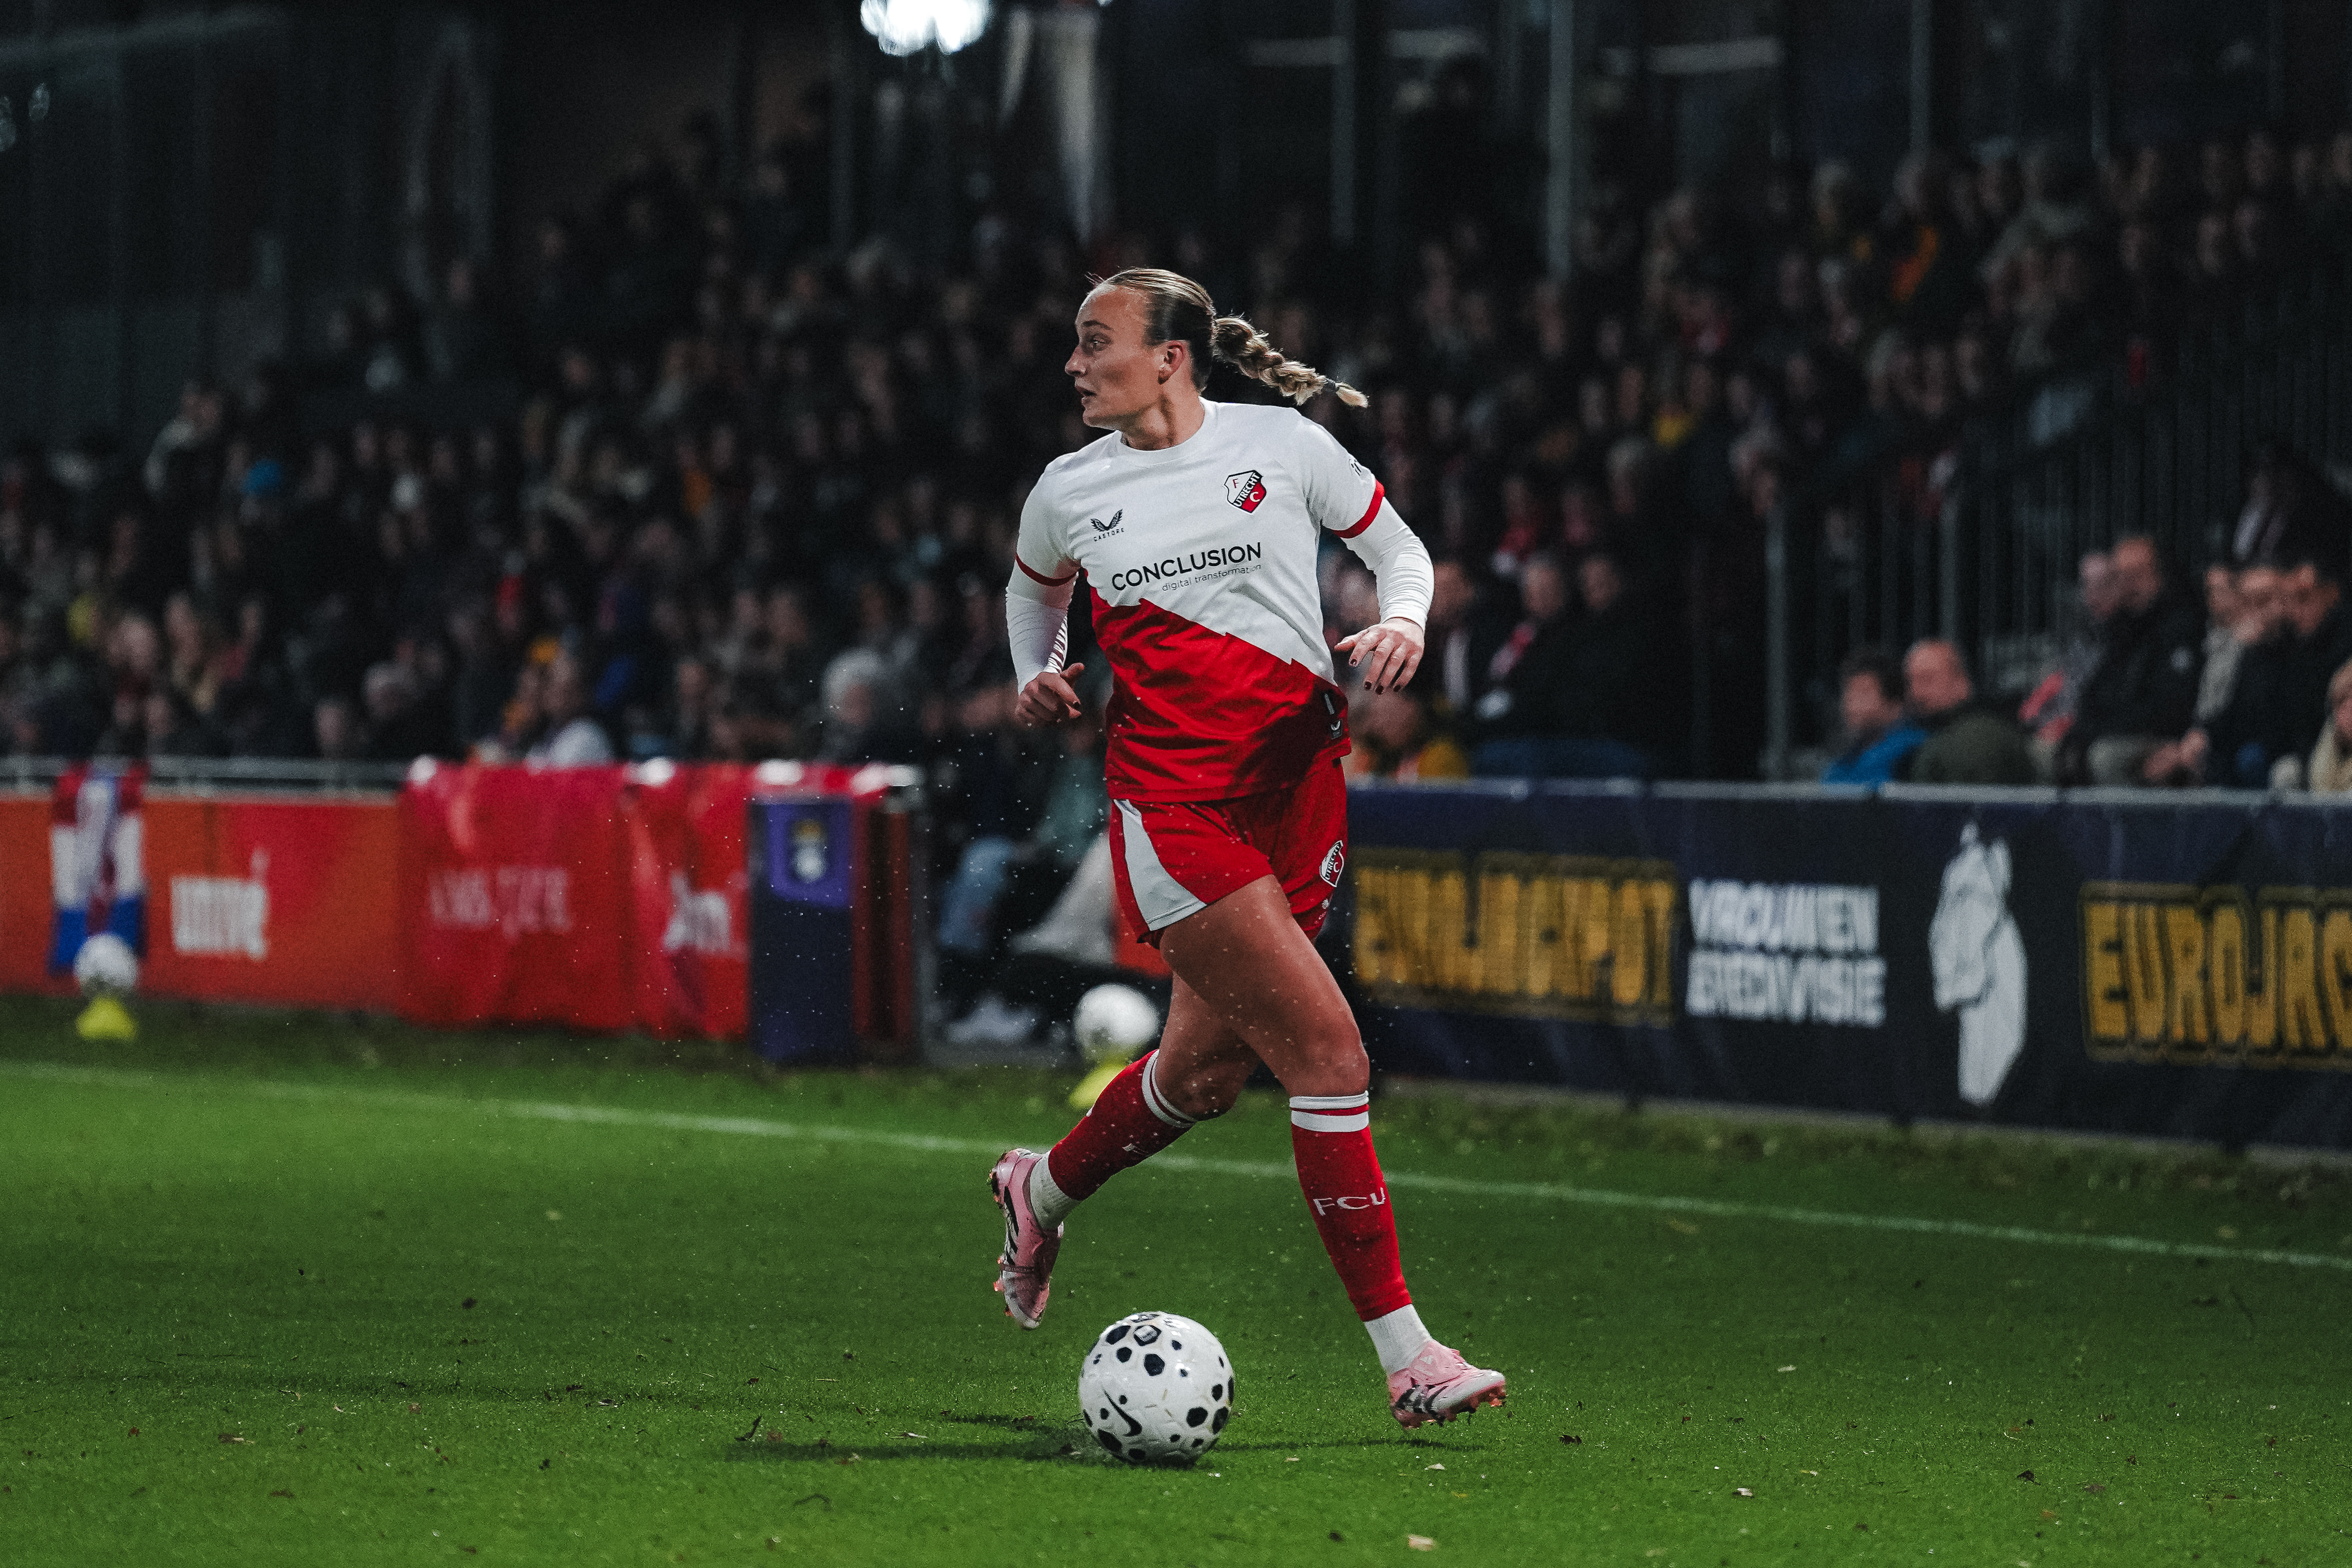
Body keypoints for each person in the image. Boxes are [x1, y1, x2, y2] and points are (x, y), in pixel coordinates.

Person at [992, 267, 1504, 1428]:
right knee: (1325, 1057)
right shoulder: (1069, 491)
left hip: (1296, 795)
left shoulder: (1280, 445)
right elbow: (1033, 600)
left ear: (1170, 356)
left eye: (1094, 342)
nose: (1072, 366)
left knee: (1200, 1079)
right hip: (1176, 812)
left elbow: (1403, 554)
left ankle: (1038, 1187)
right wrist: (1034, 674)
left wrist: (1401, 622)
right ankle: (1409, 1359)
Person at [2062, 535, 2203, 785]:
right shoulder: (2119, 629)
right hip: (2114, 732)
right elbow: (2095, 692)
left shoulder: (2181, 628)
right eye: (2121, 577)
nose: (2127, 586)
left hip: (2163, 738)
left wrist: (2103, 730)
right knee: (2052, 752)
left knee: (2105, 756)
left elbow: (2171, 707)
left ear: (2158, 576)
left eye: (2136, 576)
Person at [1900, 639, 2036, 784]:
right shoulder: (1930, 733)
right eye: (1909, 682)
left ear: (1961, 680)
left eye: (1927, 679)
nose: (1916, 692)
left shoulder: (1976, 740)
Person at [1821, 647, 1923, 784]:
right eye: (1848, 694)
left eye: (1863, 694)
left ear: (1895, 705)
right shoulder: (1846, 760)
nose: (1851, 705)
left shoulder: (1914, 754)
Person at [2306, 658, 2352, 793]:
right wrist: (2339, 742)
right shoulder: (2334, 727)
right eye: (2343, 701)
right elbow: (2320, 782)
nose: (2348, 706)